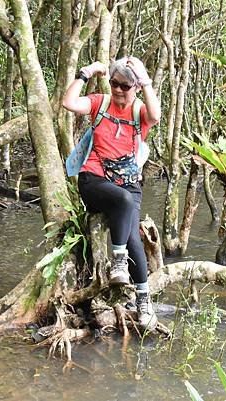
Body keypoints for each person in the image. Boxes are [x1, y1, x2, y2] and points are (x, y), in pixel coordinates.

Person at [62, 57, 161, 331]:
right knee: (124, 201)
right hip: (94, 180)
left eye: (125, 86)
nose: (118, 90)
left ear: (136, 87)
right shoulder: (99, 103)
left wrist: (146, 80)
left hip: (128, 182)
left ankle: (143, 301)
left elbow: (156, 116)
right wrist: (88, 72)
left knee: (133, 238)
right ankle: (118, 264)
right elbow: (69, 103)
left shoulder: (140, 111)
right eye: (114, 83)